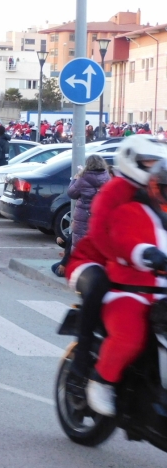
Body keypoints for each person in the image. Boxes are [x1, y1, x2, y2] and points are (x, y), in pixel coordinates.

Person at [66, 135, 167, 381]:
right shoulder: (115, 190)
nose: (153, 166)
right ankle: (82, 364)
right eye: (147, 161)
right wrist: (135, 257)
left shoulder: (155, 189)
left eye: (157, 161)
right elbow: (102, 236)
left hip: (136, 267)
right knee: (100, 285)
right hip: (93, 259)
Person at [85, 160, 167, 416]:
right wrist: (145, 252)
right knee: (130, 336)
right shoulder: (131, 210)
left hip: (163, 296)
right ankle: (101, 381)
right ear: (153, 186)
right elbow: (123, 239)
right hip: (131, 291)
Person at [67, 155, 110, 250]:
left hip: (84, 215)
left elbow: (71, 193)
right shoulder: (107, 177)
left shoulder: (83, 178)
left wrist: (74, 180)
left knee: (80, 243)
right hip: (101, 214)